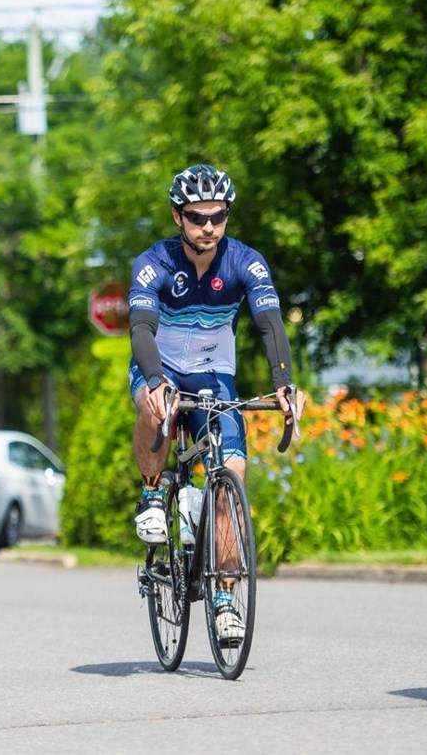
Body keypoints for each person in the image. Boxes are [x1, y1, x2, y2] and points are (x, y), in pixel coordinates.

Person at [128, 164, 300, 644]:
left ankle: (224, 597)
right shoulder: (153, 263)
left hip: (213, 373)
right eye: (197, 217)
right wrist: (155, 381)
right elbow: (140, 328)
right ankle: (151, 494)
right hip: (160, 366)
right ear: (177, 216)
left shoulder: (246, 262)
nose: (208, 227)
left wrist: (284, 384)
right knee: (156, 406)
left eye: (218, 217)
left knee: (231, 475)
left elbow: (270, 324)